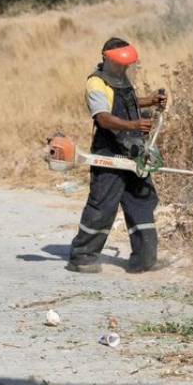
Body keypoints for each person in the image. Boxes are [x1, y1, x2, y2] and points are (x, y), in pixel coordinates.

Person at [67, 38, 166, 274]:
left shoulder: (121, 80)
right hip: (109, 152)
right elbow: (102, 117)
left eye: (127, 65)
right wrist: (134, 125)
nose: (123, 69)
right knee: (103, 205)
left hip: (133, 152)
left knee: (142, 201)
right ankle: (82, 257)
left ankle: (144, 259)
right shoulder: (96, 84)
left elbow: (127, 103)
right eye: (119, 64)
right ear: (106, 58)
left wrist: (150, 101)